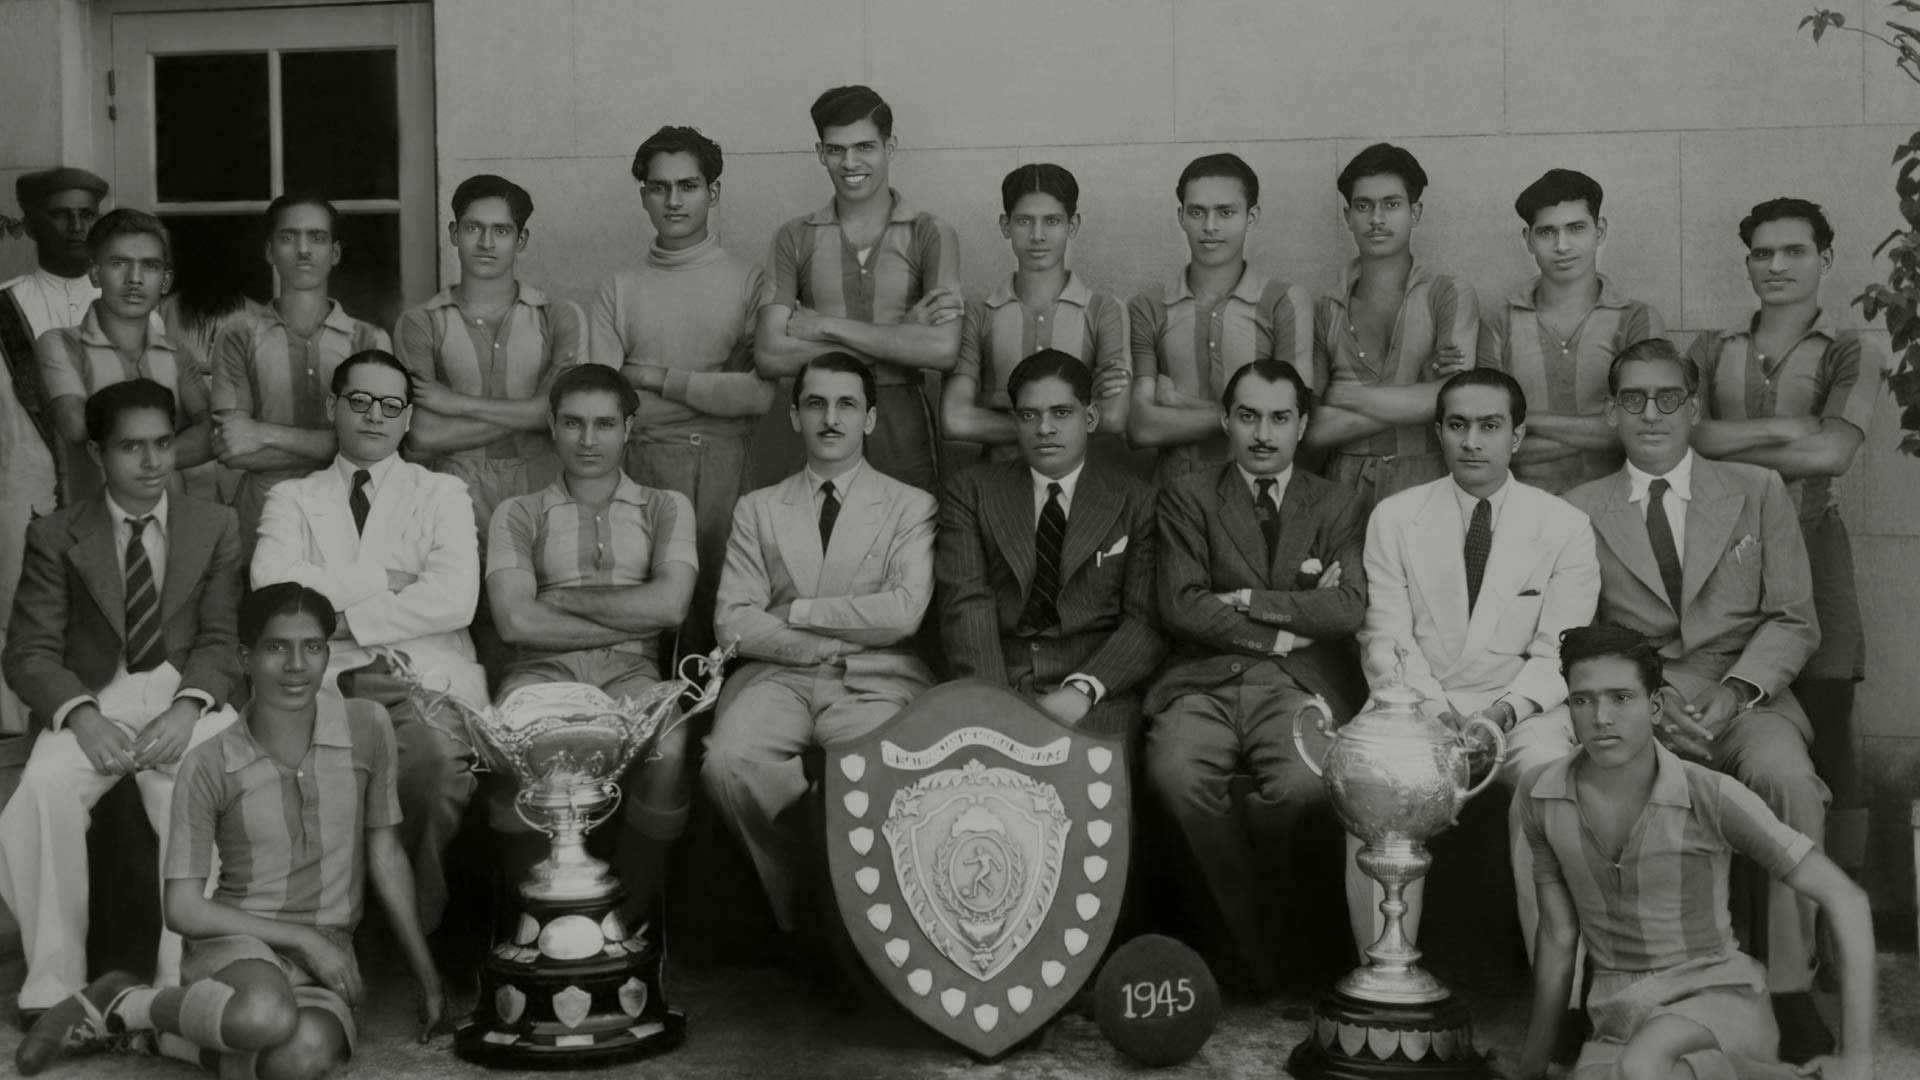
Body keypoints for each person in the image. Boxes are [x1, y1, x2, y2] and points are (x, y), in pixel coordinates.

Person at [12, 584, 447, 1079]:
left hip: (328, 950)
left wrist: (428, 979)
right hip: (237, 942)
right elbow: (182, 909)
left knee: (302, 1060)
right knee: (261, 1016)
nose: (297, 665)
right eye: (276, 647)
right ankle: (134, 1003)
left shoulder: (366, 726)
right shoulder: (208, 762)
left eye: (313, 646)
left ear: (328, 654)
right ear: (245, 657)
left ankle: (141, 1026)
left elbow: (386, 856)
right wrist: (301, 940)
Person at [1562, 337, 1833, 1062]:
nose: (1651, 413)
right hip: (1633, 701)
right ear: (1612, 410)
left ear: (1694, 406)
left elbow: (1794, 618)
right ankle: (1604, 991)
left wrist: (1738, 690)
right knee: (1593, 783)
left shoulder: (1756, 490)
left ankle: (1789, 987)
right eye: (1632, 399)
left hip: (1749, 695)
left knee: (1789, 781)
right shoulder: (1577, 508)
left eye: (1667, 398)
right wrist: (1645, 705)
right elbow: (1577, 632)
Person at [1509, 625, 1874, 1080]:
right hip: (1619, 1013)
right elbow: (1559, 939)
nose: (1601, 716)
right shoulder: (1540, 793)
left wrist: (1856, 1057)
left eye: (1621, 698)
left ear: (1655, 706)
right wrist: (1531, 1068)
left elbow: (1848, 900)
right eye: (1584, 699)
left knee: (1646, 1063)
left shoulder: (1711, 794)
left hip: (1720, 999)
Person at [1351, 368, 1598, 1018]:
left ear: (1517, 435)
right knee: (1371, 785)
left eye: (1490, 426)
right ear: (1438, 433)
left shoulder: (1564, 524)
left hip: (1524, 710)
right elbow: (1386, 640)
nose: (1472, 442)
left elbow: (1562, 651)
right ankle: (1385, 985)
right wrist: (1439, 713)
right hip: (1419, 706)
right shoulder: (1395, 518)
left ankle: (1559, 1005)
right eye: (1457, 425)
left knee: (1550, 785)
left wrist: (1499, 715)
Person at [0, 379, 243, 1032]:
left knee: (194, 789)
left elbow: (222, 639)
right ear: (99, 455)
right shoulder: (57, 534)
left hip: (184, 691)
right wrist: (81, 716)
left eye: (163, 443)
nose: (152, 462)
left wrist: (189, 707)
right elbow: (28, 651)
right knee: (44, 788)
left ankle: (173, 986)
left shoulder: (214, 524)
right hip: (94, 695)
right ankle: (52, 986)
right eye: (131, 448)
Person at [1144, 359, 1368, 992]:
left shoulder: (1338, 502)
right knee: (1177, 778)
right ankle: (1250, 956)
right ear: (1225, 421)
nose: (1263, 435)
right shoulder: (1187, 494)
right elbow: (1181, 604)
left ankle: (1263, 938)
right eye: (1248, 417)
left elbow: (1349, 605)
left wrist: (1246, 598)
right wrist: (1288, 623)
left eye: (1278, 418)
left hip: (1297, 685)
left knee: (1303, 788)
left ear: (1302, 425)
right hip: (1202, 679)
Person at [1687, 197, 1879, 931]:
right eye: (1762, 254)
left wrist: (1736, 441)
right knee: (1733, 717)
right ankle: (1740, 921)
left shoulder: (1850, 347)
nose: (1776, 266)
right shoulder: (1711, 346)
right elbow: (1688, 437)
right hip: (1727, 551)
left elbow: (1833, 452)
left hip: (1813, 545)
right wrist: (1781, 427)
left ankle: (1839, 921)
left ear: (1824, 259)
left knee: (1830, 731)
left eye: (1793, 252)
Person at [250, 349, 485, 936]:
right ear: (333, 407)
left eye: (390, 405)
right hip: (323, 679)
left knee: (434, 768)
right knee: (305, 773)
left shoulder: (442, 493)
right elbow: (272, 591)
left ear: (407, 419)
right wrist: (384, 579)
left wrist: (342, 616)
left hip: (423, 675)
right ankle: (339, 920)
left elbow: (456, 598)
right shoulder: (292, 497)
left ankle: (416, 917)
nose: (374, 416)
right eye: (359, 401)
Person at [703, 352, 936, 932]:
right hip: (778, 676)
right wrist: (818, 644)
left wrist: (798, 610)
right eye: (816, 404)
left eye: (847, 405)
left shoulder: (911, 506)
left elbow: (902, 613)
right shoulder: (758, 508)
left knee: (874, 771)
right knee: (727, 764)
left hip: (874, 679)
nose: (831, 419)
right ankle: (800, 905)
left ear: (871, 419)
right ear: (794, 416)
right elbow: (733, 621)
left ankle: (867, 931)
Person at [486, 364, 697, 926]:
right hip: (540, 671)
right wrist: (633, 612)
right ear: (552, 426)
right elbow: (513, 622)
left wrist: (554, 600)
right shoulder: (518, 511)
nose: (588, 439)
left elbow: (671, 607)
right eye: (573, 423)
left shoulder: (666, 506)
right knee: (511, 737)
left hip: (633, 674)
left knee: (671, 749)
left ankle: (630, 918)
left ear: (629, 428)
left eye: (604, 424)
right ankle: (533, 922)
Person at [589, 125, 771, 661]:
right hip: (640, 469)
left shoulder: (750, 282)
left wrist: (648, 376)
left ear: (712, 193)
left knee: (721, 613)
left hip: (725, 470)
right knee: (645, 617)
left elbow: (756, 398)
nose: (674, 200)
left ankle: (717, 737)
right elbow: (605, 403)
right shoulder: (618, 288)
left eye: (688, 186)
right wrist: (713, 386)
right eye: (659, 187)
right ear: (643, 194)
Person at [935, 350, 1163, 738]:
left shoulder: (1136, 501)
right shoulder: (972, 492)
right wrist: (995, 705)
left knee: (1087, 779)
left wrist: (1083, 689)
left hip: (1095, 690)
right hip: (997, 679)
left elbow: (1145, 620)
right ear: (1015, 421)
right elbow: (966, 603)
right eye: (1029, 415)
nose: (1044, 428)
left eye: (1061, 413)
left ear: (1089, 418)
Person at [754, 85, 961, 493]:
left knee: (910, 546)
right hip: (823, 424)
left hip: (905, 431)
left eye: (865, 146)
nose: (850, 162)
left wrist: (828, 325)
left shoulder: (931, 233)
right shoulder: (794, 237)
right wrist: (900, 335)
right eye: (836, 150)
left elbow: (941, 350)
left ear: (890, 147)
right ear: (820, 152)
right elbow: (769, 355)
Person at [397, 173, 587, 536]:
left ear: (521, 239)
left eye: (501, 230)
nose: (486, 242)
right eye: (473, 228)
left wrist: (453, 402)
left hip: (543, 491)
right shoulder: (420, 323)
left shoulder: (559, 316)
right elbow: (422, 435)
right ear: (454, 233)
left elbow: (565, 415)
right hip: (453, 496)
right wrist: (535, 411)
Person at [211, 195, 391, 551]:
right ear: (269, 251)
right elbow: (233, 449)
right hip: (262, 524)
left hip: (351, 521)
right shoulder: (238, 336)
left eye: (318, 237)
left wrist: (264, 432)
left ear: (335, 253)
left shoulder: (368, 339)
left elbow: (381, 446)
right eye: (289, 237)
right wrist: (341, 446)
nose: (304, 249)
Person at [1308, 143, 1478, 509]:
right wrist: (1419, 391)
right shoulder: (1325, 307)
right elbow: (1312, 430)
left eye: (1391, 204)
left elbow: (1459, 402)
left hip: (1430, 479)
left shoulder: (1447, 294)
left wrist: (1344, 396)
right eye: (1364, 205)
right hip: (1342, 487)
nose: (1376, 218)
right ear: (1347, 216)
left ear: (1415, 212)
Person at [1126, 153, 1313, 485]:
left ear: (1251, 217)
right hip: (1173, 486)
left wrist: (1176, 403)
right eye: (1197, 212)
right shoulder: (1148, 306)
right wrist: (1248, 414)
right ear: (1181, 216)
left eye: (1226, 212)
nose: (1210, 226)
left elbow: (1292, 421)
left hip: (1257, 484)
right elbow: (1142, 427)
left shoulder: (1284, 301)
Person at [1, 168, 108, 736]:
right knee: (30, 636)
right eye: (59, 213)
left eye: (86, 213)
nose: (74, 225)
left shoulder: (132, 305)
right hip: (25, 498)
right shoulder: (4, 309)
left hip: (114, 500)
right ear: (31, 223)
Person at [1479, 169, 1665, 494]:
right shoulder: (1499, 321)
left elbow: (1645, 425)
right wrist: (1604, 431)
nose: (1562, 245)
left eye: (1576, 228)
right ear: (1528, 239)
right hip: (1522, 507)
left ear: (1600, 230)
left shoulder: (1637, 319)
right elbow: (1486, 438)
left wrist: (1526, 422)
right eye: (1547, 232)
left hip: (1617, 506)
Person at [942, 164, 1129, 461]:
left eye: (1052, 220)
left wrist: (999, 418)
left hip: (1075, 483)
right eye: (1025, 221)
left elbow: (1115, 417)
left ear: (1073, 225)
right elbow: (955, 420)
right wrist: (1070, 419)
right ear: (1005, 225)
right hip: (997, 480)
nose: (1038, 235)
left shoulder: (1104, 310)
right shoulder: (979, 313)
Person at [35, 209, 213, 502]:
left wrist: (131, 454)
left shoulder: (176, 353)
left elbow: (211, 436)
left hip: (171, 523)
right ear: (94, 273)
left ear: (165, 281)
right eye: (119, 263)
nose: (134, 279)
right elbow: (77, 427)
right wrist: (167, 449)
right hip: (93, 528)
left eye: (150, 266)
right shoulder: (59, 343)